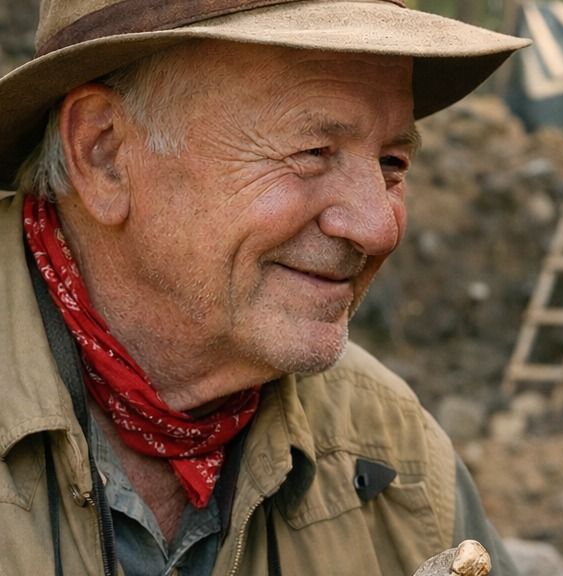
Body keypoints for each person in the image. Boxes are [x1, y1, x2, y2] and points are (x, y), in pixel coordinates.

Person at [0, 1, 529, 574]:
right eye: (312, 152)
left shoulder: (395, 453)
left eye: (392, 162)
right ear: (103, 152)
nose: (378, 227)